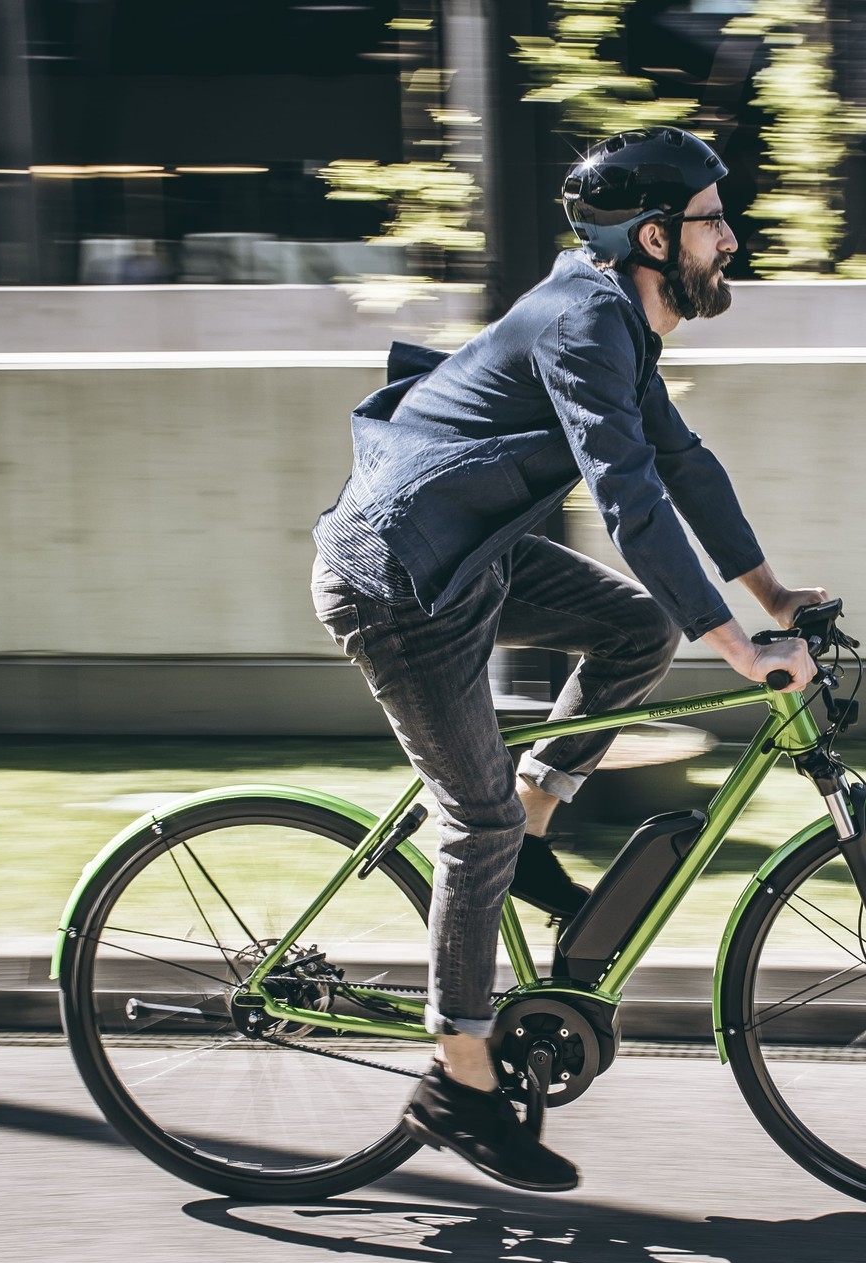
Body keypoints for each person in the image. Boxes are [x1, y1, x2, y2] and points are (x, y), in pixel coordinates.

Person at [309, 127, 824, 1192]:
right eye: (711, 220)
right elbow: (626, 495)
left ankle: (532, 824)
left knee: (633, 631)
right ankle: (456, 1078)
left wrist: (769, 594)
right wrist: (734, 646)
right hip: (398, 586)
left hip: (470, 556)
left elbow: (678, 459)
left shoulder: (612, 316)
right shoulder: (586, 318)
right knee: (475, 818)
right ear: (650, 234)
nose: (730, 238)